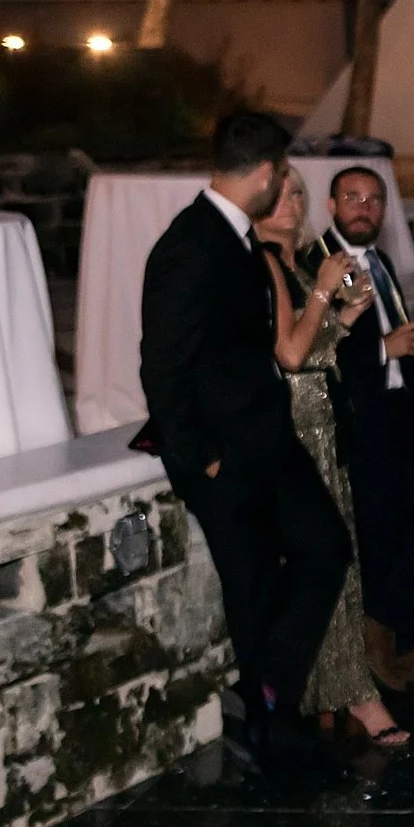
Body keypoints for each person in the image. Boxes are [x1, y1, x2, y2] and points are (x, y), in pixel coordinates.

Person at [138, 113, 352, 765]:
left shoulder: (235, 238)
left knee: (324, 547)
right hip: (222, 456)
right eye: (282, 172)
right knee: (253, 585)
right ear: (263, 174)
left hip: (266, 437)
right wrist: (200, 458)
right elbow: (162, 365)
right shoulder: (189, 245)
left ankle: (264, 689)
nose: (285, 181)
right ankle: (267, 724)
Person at [253, 169, 408, 746]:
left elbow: (316, 345)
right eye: (280, 195)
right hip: (297, 426)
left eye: (297, 193)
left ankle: (338, 692)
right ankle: (351, 697)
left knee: (344, 563)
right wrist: (322, 291)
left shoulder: (294, 262)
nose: (291, 204)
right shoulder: (268, 262)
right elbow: (290, 355)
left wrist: (347, 315)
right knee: (329, 562)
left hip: (325, 420)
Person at [323, 167, 414, 690]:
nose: (364, 208)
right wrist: (385, 349)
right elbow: (314, 349)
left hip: (403, 408)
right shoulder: (322, 262)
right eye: (353, 198)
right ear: (332, 204)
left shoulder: (378, 261)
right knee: (382, 528)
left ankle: (385, 622)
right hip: (362, 416)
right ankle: (396, 639)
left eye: (374, 200)